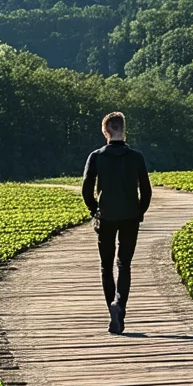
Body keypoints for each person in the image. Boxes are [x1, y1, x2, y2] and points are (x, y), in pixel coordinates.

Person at [81, 111, 152, 334]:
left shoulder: (96, 157)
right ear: (123, 129)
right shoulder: (137, 157)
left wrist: (96, 210)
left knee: (106, 266)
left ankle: (112, 309)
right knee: (124, 265)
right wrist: (139, 211)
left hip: (106, 218)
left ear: (105, 131)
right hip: (130, 216)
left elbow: (85, 189)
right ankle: (119, 306)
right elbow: (147, 191)